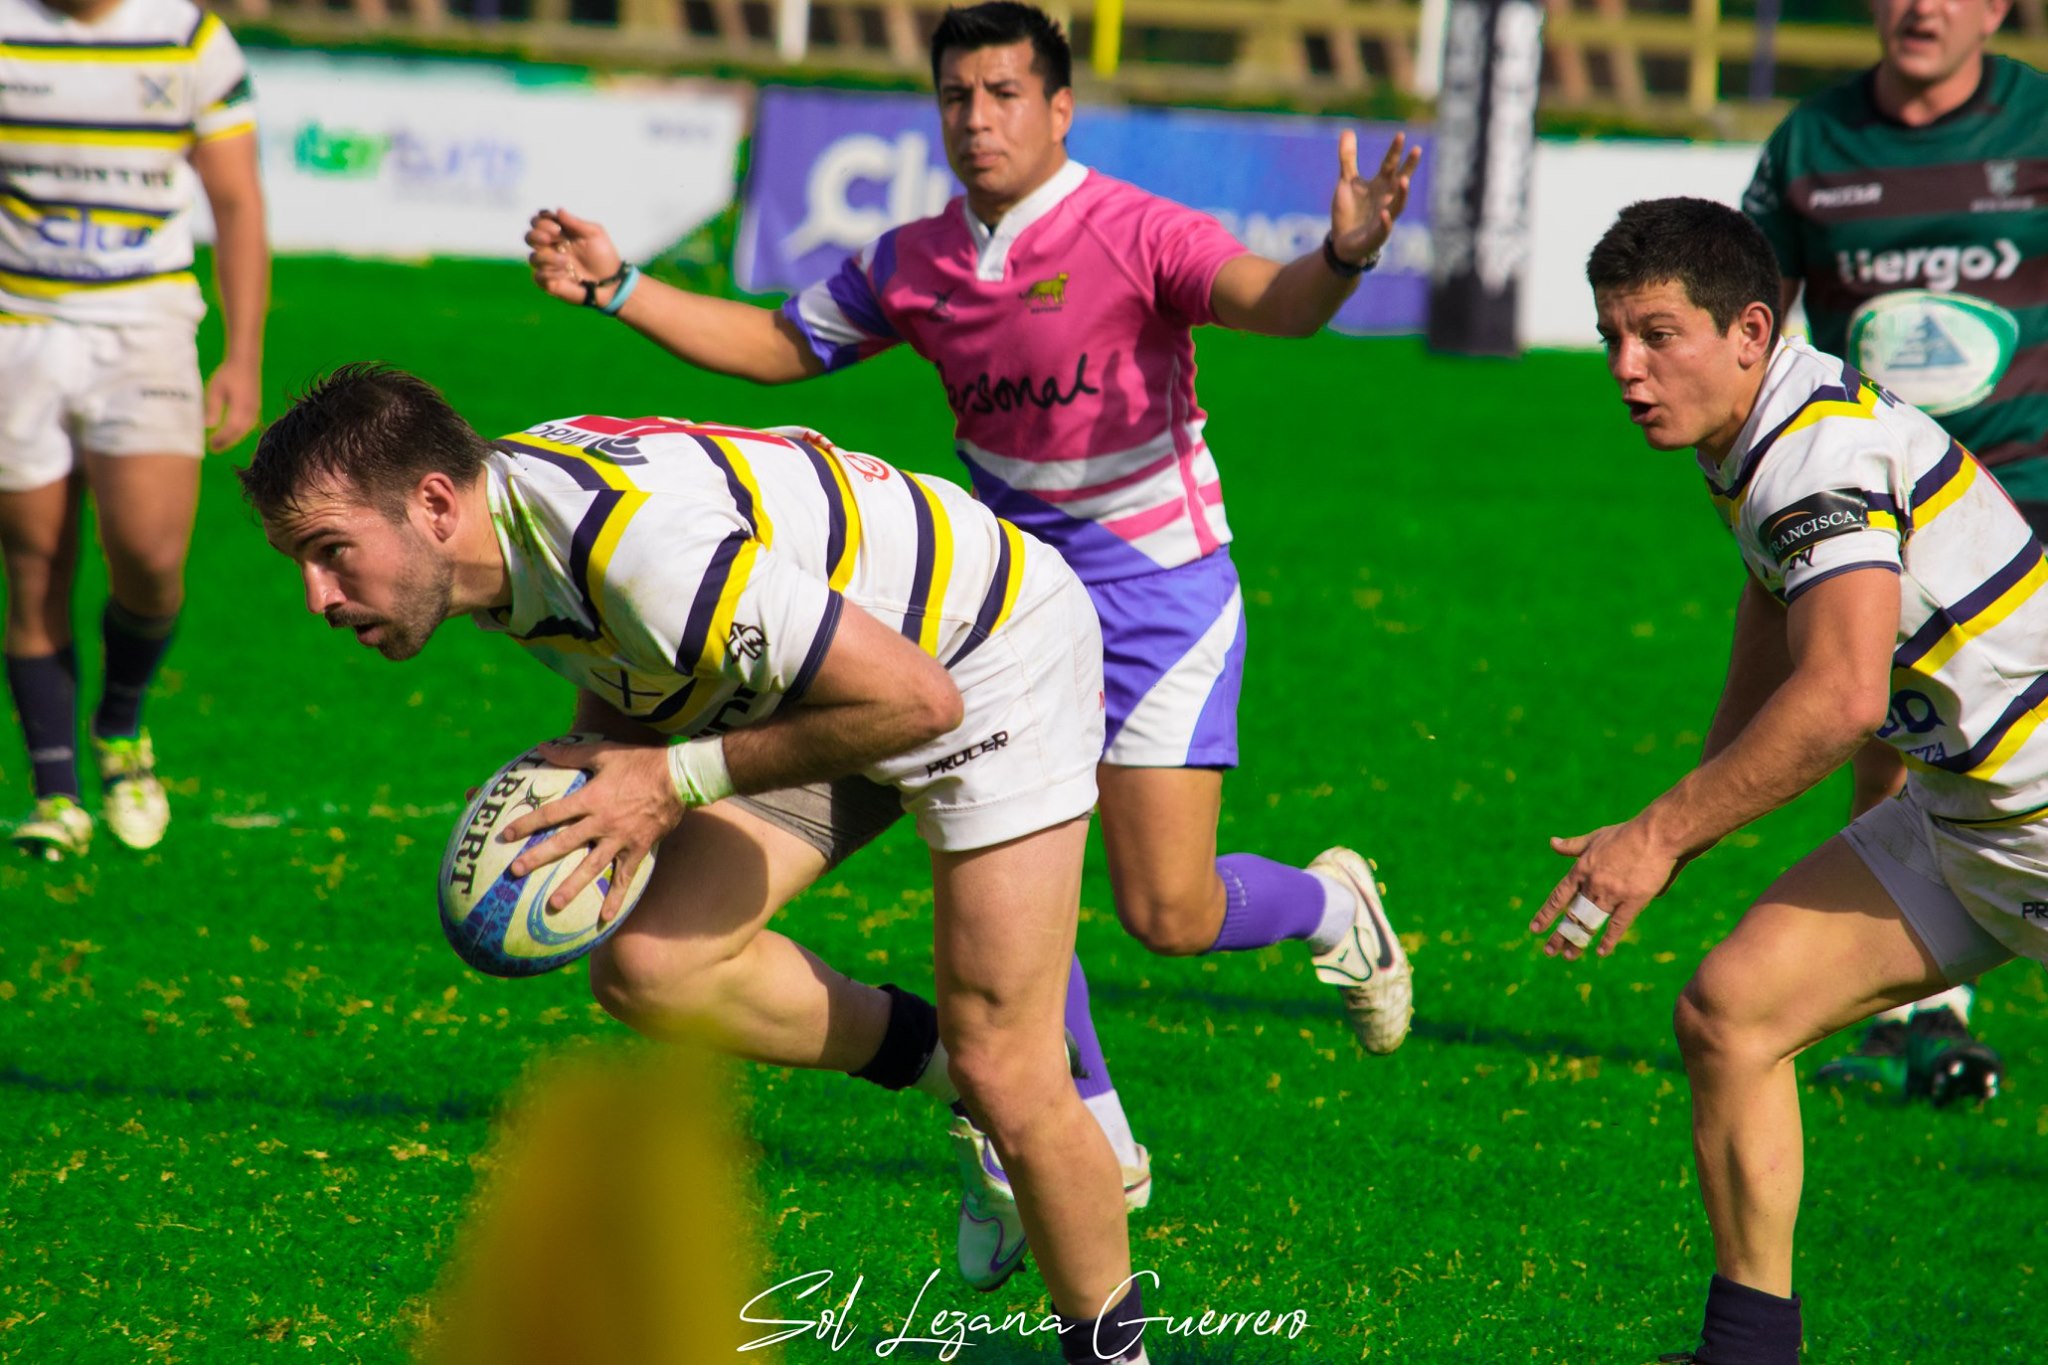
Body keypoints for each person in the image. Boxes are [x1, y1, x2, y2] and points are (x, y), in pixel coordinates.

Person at [523, 0, 1419, 1268]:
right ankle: (1084, 1132)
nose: (977, 118)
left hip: (1160, 594)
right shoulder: (917, 259)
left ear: (1059, 108)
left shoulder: (1132, 229)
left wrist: (1340, 258)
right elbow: (781, 344)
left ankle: (1331, 905)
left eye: (1004, 94)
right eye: (957, 96)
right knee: (999, 841)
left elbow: (1268, 300)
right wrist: (620, 289)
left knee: (1163, 908)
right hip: (992, 604)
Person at [240, 366, 1158, 1363]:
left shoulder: (629, 549)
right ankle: (959, 1086)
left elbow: (917, 703)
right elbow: (633, 655)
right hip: (819, 676)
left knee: (1010, 1066)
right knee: (653, 971)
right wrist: (590, 764)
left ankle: (1102, 1324)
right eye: (296, 563)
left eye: (331, 554)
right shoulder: (496, 545)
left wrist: (666, 784)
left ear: (432, 504)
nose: (317, 597)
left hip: (982, 654)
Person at [1541, 196, 2044, 1364]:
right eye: (1612, 334)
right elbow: (1774, 593)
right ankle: (1747, 1355)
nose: (1626, 368)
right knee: (1732, 1014)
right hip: (1964, 819)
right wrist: (1694, 813)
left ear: (1748, 329)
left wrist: (1659, 834)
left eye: (1656, 334)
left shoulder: (1812, 456)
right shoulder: (1764, 431)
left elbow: (1837, 698)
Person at [1742, 0, 2046, 1098]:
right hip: (1876, 504)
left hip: (2026, 494)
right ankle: (1920, 1005)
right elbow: (1754, 321)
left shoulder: (2035, 122)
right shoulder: (1809, 146)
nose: (1921, 7)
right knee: (1883, 723)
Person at [0, 0, 268, 857]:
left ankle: (120, 725)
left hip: (144, 326)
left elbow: (236, 200)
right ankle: (57, 795)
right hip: (17, 326)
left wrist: (243, 355)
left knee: (150, 560)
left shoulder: (188, 35)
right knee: (35, 564)